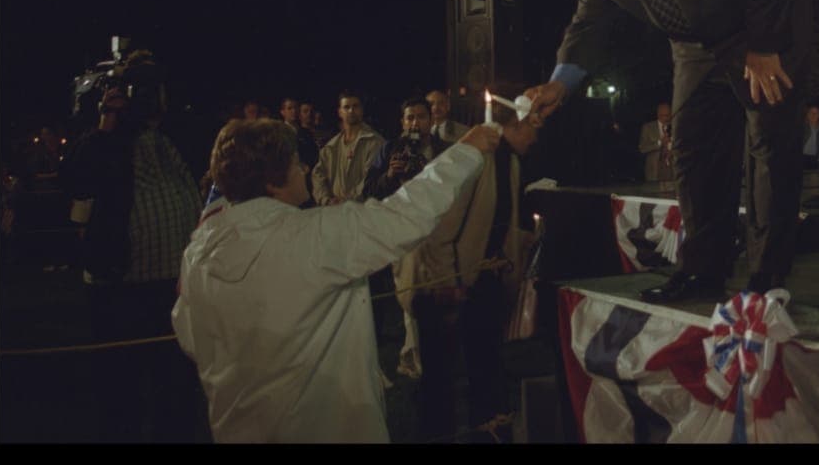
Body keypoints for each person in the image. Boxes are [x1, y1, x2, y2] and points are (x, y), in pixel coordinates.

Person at [527, 0, 812, 303]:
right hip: (693, 42)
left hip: (761, 26)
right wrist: (561, 82)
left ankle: (766, 279)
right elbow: (591, 21)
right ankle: (701, 273)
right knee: (692, 150)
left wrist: (763, 47)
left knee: (768, 148)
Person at [171, 118, 502, 443]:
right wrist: (468, 149)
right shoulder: (314, 236)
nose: (304, 169)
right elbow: (407, 214)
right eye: (296, 162)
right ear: (272, 180)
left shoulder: (198, 250)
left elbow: (190, 336)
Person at [63, 48, 203, 442]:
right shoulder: (102, 140)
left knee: (174, 390)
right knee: (119, 392)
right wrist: (109, 119)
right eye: (136, 86)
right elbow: (76, 178)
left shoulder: (170, 135)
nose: (146, 95)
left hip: (172, 286)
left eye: (151, 86)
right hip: (121, 285)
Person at [395, 84, 540, 443]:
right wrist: (448, 282)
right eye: (535, 127)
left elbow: (496, 223)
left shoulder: (511, 161)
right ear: (516, 125)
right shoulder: (475, 157)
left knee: (485, 363)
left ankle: (487, 428)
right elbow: (440, 228)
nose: (538, 137)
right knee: (439, 379)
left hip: (476, 280)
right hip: (441, 281)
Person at [311, 90, 386, 206]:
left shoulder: (374, 142)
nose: (351, 111)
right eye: (346, 107)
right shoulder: (331, 147)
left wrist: (346, 202)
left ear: (362, 110)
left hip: (362, 211)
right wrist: (326, 200)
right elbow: (318, 177)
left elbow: (371, 180)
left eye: (355, 106)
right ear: (340, 112)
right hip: (334, 212)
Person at [637, 102, 675, 182]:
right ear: (658, 115)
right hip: (655, 169)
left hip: (673, 168)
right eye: (663, 115)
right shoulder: (648, 128)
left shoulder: (675, 126)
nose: (666, 118)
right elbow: (642, 148)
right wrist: (659, 143)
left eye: (668, 115)